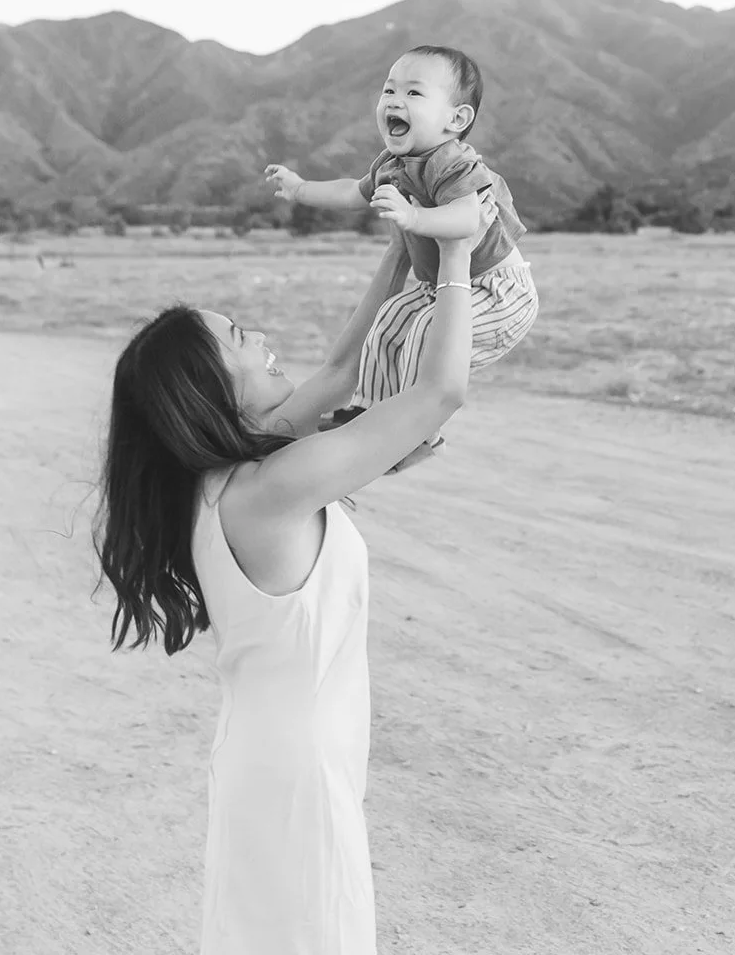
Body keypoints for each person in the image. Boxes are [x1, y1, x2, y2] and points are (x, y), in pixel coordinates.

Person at [94, 201, 494, 955]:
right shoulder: (267, 487)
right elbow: (441, 392)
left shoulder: (225, 480)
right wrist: (460, 258)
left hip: (274, 753)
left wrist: (406, 251)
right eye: (243, 340)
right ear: (207, 387)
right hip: (295, 766)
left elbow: (342, 368)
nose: (266, 341)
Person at [265, 44, 539, 457]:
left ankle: (415, 432)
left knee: (425, 335)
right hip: (441, 289)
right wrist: (301, 188)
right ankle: (366, 410)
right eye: (389, 90)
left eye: (413, 93)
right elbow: (350, 192)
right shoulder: (391, 164)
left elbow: (467, 219)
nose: (394, 100)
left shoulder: (455, 164)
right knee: (389, 324)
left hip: (497, 292)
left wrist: (413, 219)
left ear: (457, 119)